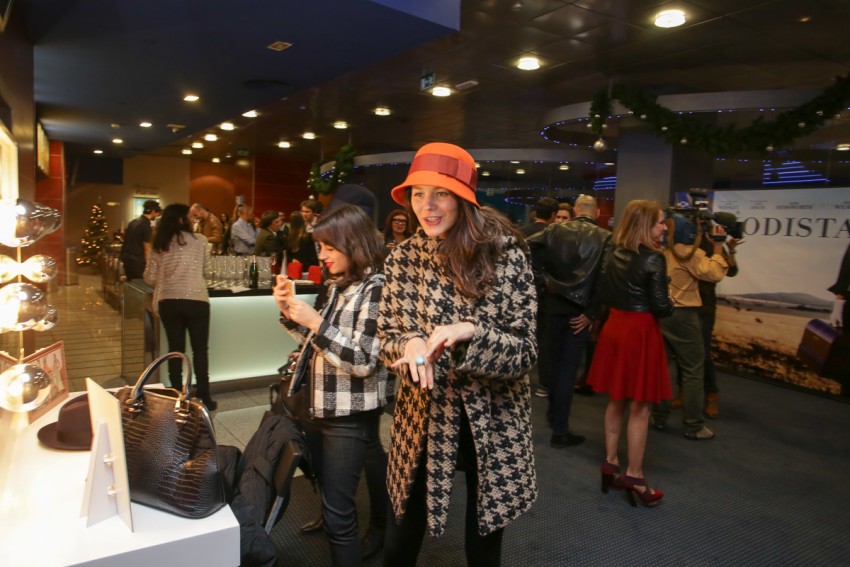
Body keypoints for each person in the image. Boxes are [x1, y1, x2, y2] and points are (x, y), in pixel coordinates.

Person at [378, 142, 538, 566]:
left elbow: (525, 351)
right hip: (424, 411)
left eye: (440, 193)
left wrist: (471, 333)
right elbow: (387, 335)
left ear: (464, 198)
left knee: (483, 541)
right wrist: (410, 343)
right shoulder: (402, 258)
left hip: (492, 413)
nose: (426, 206)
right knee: (401, 532)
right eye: (418, 194)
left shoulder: (505, 253)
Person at [273, 204, 389, 567]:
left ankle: (376, 533)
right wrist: (290, 311)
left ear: (352, 243)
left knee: (340, 516)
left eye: (328, 247)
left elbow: (363, 361)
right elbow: (320, 344)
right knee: (330, 497)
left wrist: (316, 324)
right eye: (319, 247)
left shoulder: (377, 288)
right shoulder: (341, 285)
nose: (321, 256)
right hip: (321, 403)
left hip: (348, 413)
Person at [586, 199, 674, 507]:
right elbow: (662, 308)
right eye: (660, 221)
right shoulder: (654, 259)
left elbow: (604, 293)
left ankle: (610, 463)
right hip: (639, 331)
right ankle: (635, 476)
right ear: (646, 224)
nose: (664, 227)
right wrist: (671, 300)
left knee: (616, 399)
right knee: (641, 407)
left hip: (615, 327)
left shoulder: (614, 253)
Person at [528, 194, 612, 448]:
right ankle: (560, 429)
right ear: (597, 213)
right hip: (580, 313)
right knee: (567, 370)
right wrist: (591, 313)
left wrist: (544, 280)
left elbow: (524, 246)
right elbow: (605, 278)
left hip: (554, 307)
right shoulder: (605, 238)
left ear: (575, 210)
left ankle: (555, 418)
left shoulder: (554, 230)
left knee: (553, 366)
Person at [651, 213, 728, 440]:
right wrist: (718, 247)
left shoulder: (661, 252)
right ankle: (694, 426)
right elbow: (715, 274)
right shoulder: (690, 254)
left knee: (660, 368)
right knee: (693, 370)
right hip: (684, 316)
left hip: (661, 314)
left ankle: (659, 416)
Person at [144, 203, 216, 411]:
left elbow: (150, 277)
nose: (193, 219)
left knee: (176, 350)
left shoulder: (160, 243)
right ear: (182, 219)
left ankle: (176, 394)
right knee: (200, 350)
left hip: (169, 302)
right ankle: (205, 395)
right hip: (197, 301)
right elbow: (208, 271)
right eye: (190, 216)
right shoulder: (201, 241)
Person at [517, 197, 559, 400]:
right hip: (545, 292)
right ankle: (544, 384)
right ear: (553, 215)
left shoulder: (521, 232)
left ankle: (517, 376)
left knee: (520, 333)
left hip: (521, 290)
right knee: (544, 338)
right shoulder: (555, 235)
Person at [696, 233, 741, 418]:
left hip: (705, 307)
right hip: (687, 304)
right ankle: (683, 392)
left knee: (704, 352)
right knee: (684, 351)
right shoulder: (689, 240)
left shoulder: (713, 244)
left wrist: (730, 250)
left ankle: (711, 395)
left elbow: (731, 270)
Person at [120, 199, 161, 279]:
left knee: (131, 283)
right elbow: (147, 249)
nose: (156, 216)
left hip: (126, 259)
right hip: (137, 261)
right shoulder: (146, 225)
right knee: (140, 284)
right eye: (157, 213)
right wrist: (148, 266)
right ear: (153, 212)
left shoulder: (133, 222)